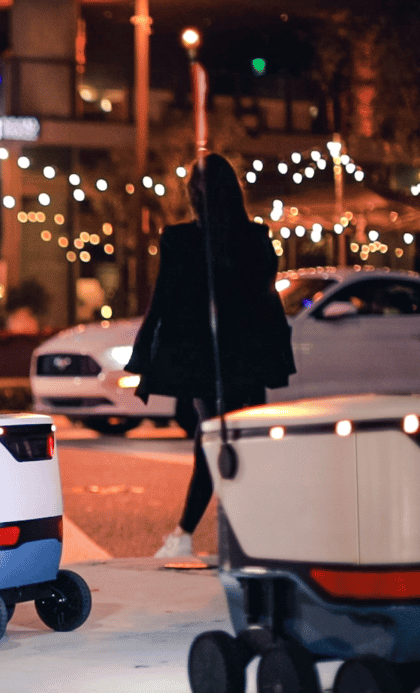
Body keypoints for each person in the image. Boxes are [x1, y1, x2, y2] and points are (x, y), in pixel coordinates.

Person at [123, 153, 296, 558]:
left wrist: (145, 352)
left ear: (194, 196)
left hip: (206, 359)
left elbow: (163, 299)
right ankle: (238, 532)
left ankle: (189, 534)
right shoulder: (255, 237)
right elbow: (265, 295)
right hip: (247, 357)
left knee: (213, 437)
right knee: (239, 439)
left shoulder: (180, 239)